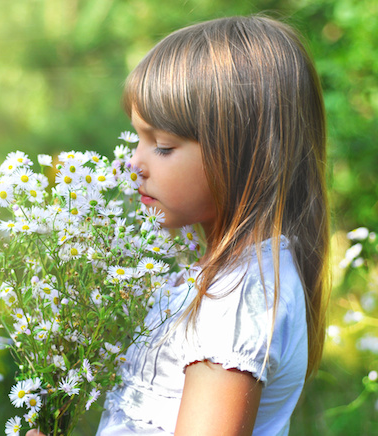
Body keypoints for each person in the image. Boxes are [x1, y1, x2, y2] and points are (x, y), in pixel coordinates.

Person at [28, 14, 329, 436]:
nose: (135, 163)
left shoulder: (237, 299)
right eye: (138, 138)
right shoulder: (225, 278)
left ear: (241, 154)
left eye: (163, 146)